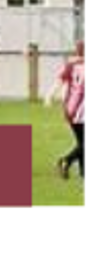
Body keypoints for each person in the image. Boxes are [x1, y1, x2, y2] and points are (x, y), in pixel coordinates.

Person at [44, 41, 84, 179]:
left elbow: (59, 82)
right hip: (83, 110)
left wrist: (49, 96)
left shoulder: (71, 65)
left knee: (83, 142)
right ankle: (66, 160)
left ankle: (83, 173)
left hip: (70, 109)